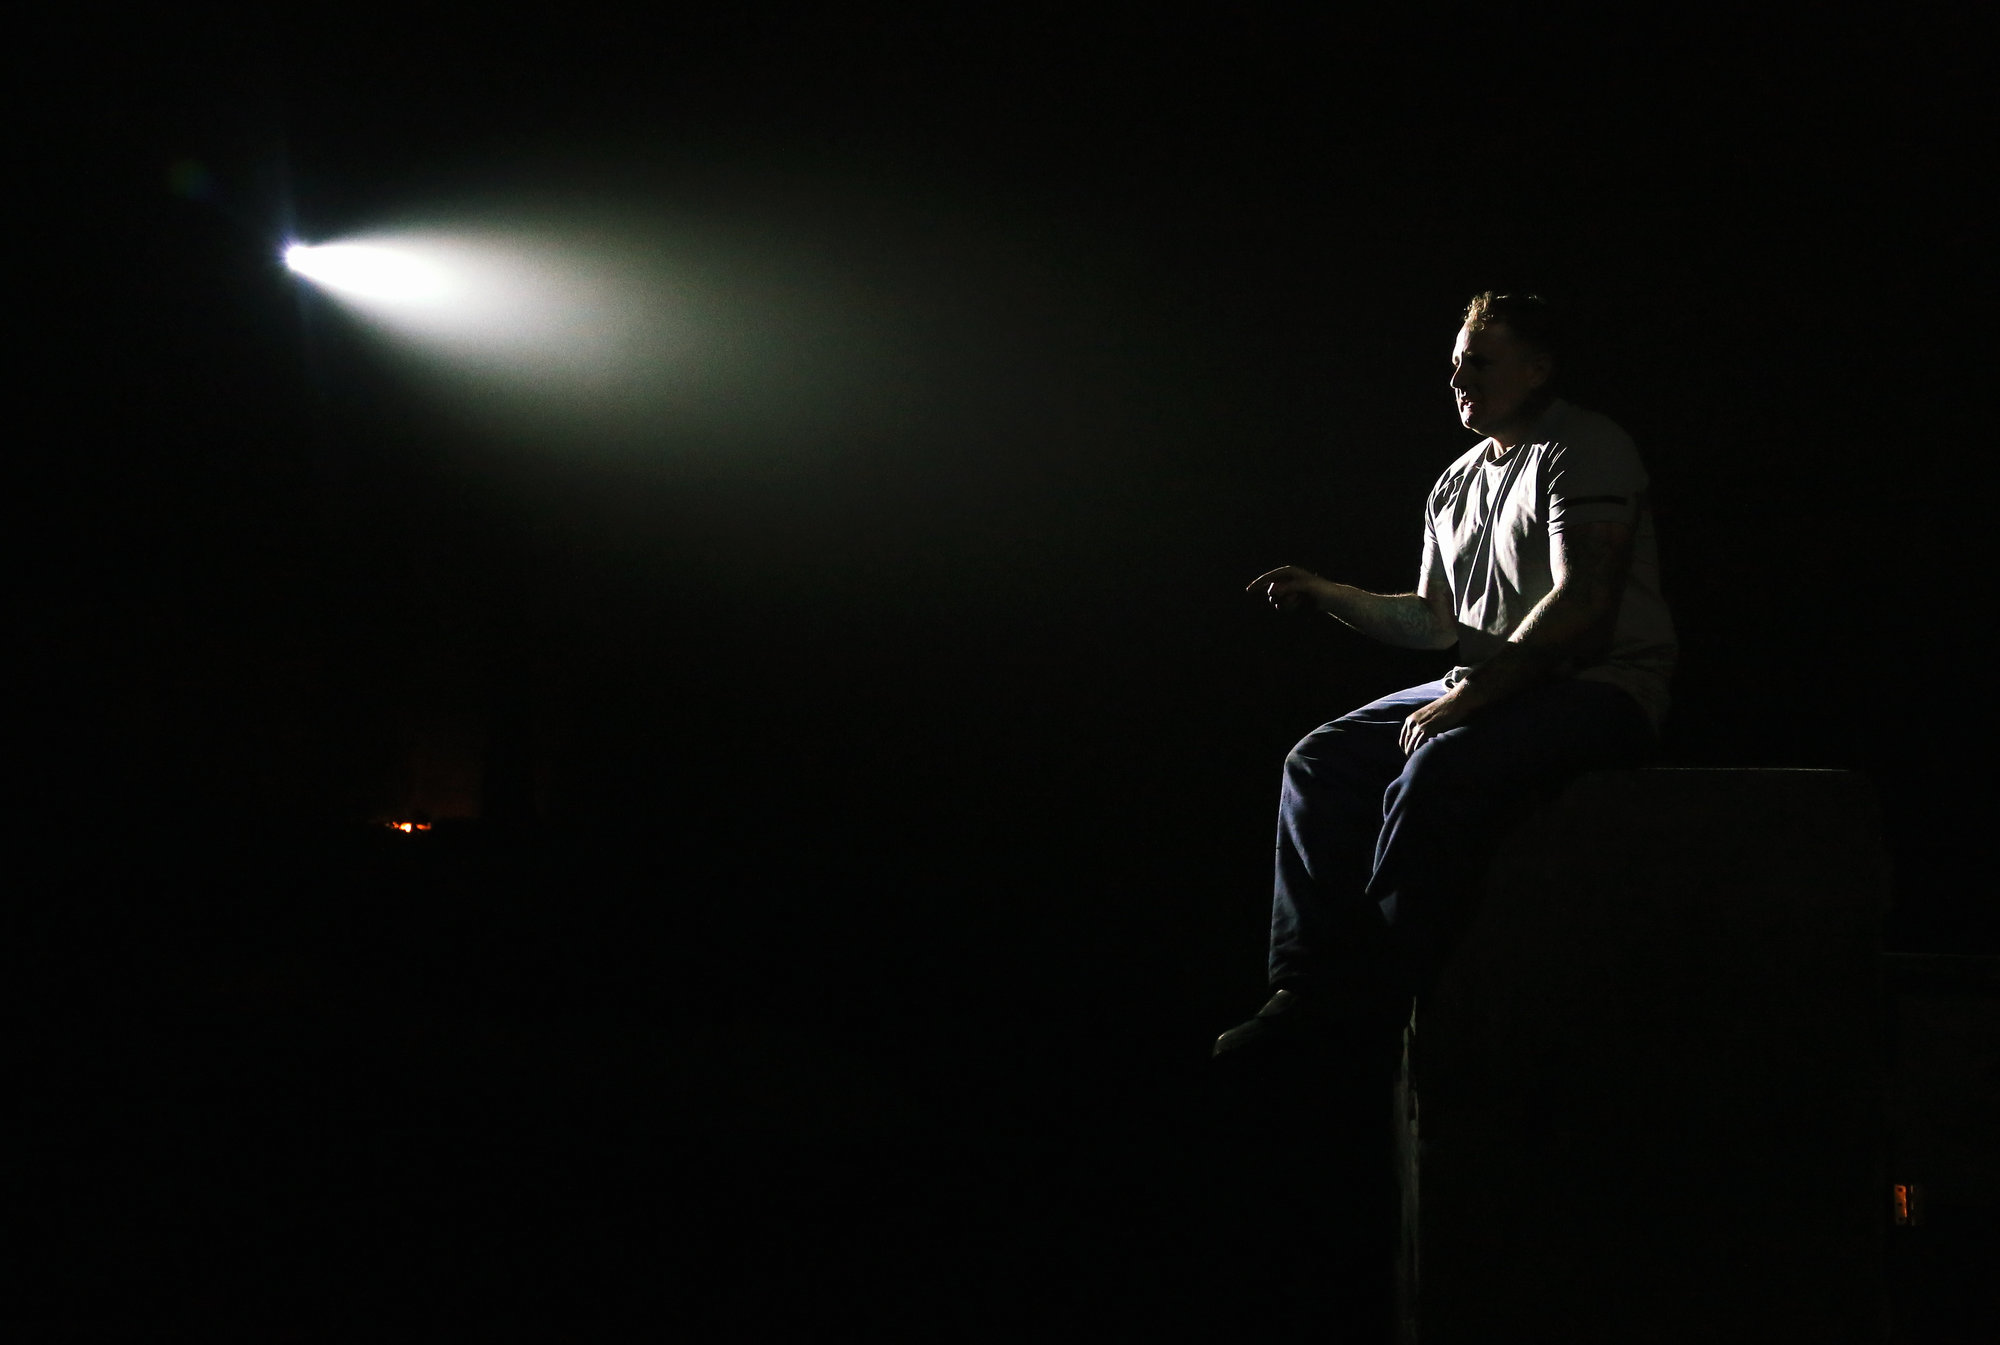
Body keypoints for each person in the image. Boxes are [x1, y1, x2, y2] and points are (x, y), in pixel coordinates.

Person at [1214, 292, 1677, 1065]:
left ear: (1538, 368)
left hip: (1598, 685)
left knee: (1436, 767)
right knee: (1319, 759)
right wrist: (1329, 593)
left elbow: (1587, 604)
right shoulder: (1454, 482)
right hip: (1493, 680)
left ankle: (1377, 992)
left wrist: (1473, 695)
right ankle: (1307, 987)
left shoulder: (1585, 445)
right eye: (1455, 362)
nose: (1460, 376)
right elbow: (1433, 622)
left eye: (1480, 360)